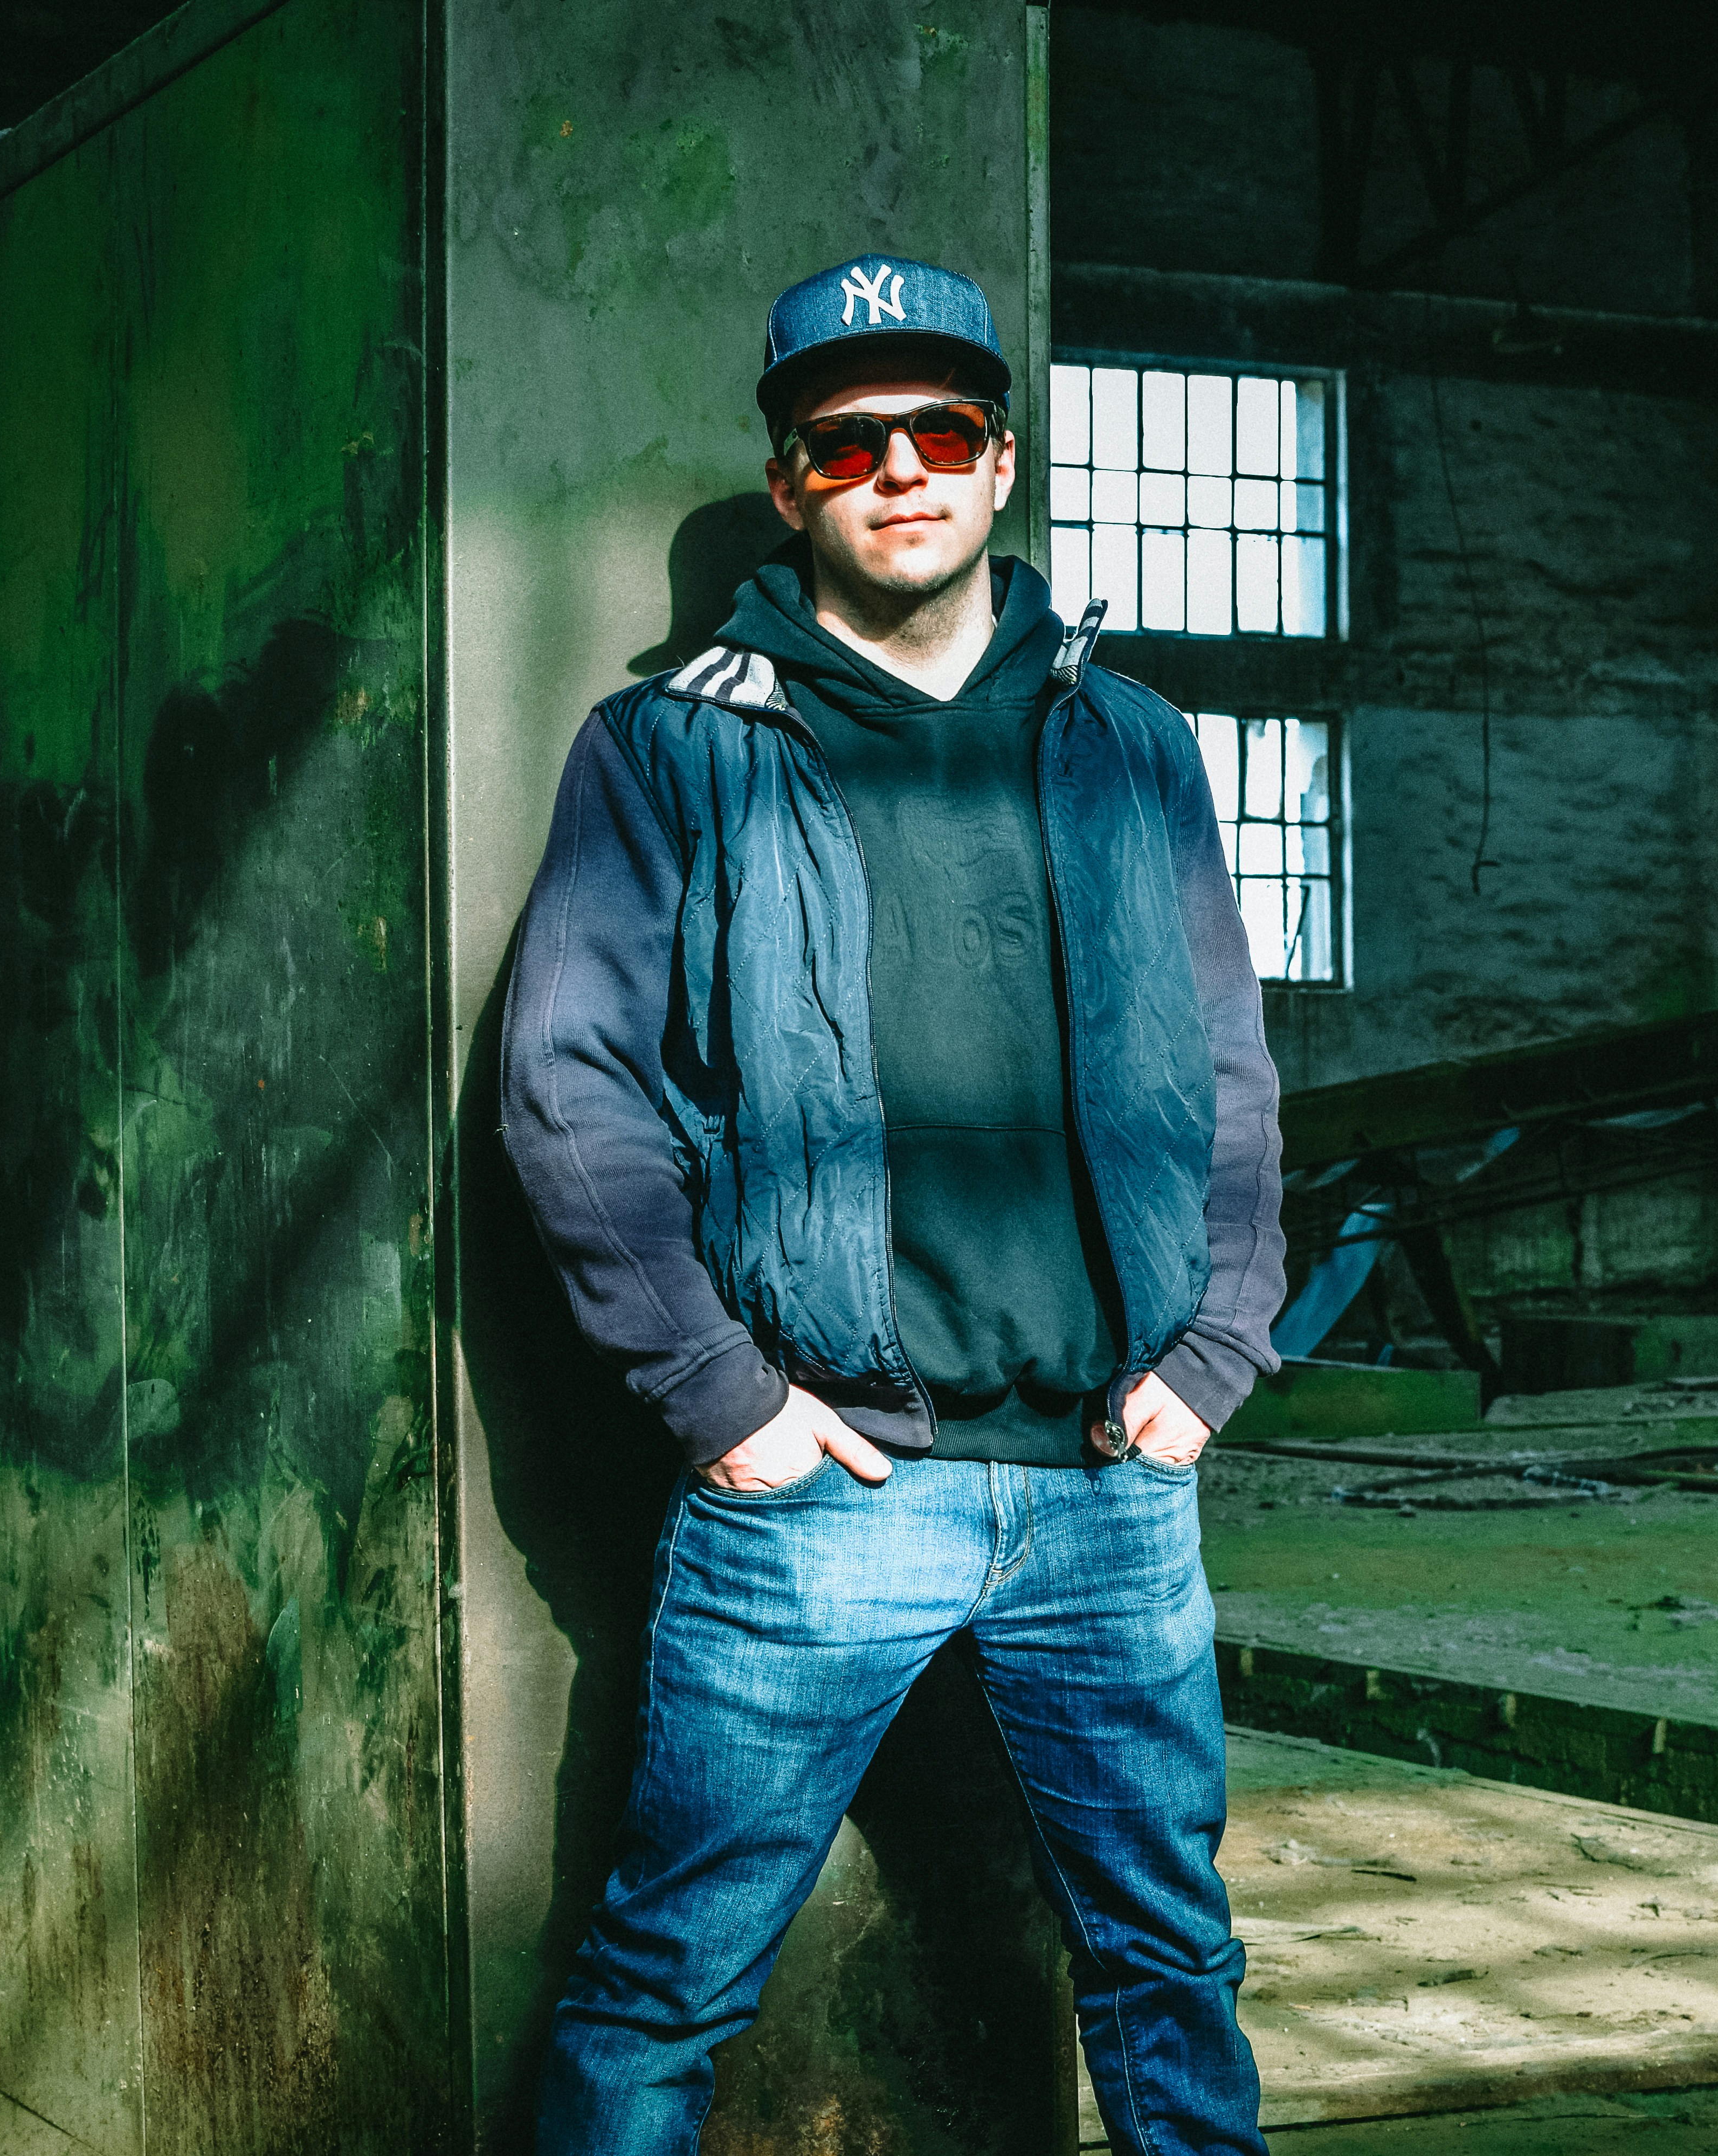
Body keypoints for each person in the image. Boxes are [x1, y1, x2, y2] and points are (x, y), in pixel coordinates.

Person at [502, 249, 1286, 2156]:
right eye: (846, 445)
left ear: (1002, 464)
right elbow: (566, 1086)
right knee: (663, 1982)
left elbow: (1228, 1065)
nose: (900, 471)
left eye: (941, 431)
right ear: (792, 489)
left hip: (1115, 1483)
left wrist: (1224, 1340)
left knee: (1173, 1968)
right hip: (831, 1495)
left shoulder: (1134, 743)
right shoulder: (677, 744)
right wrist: (725, 1403)